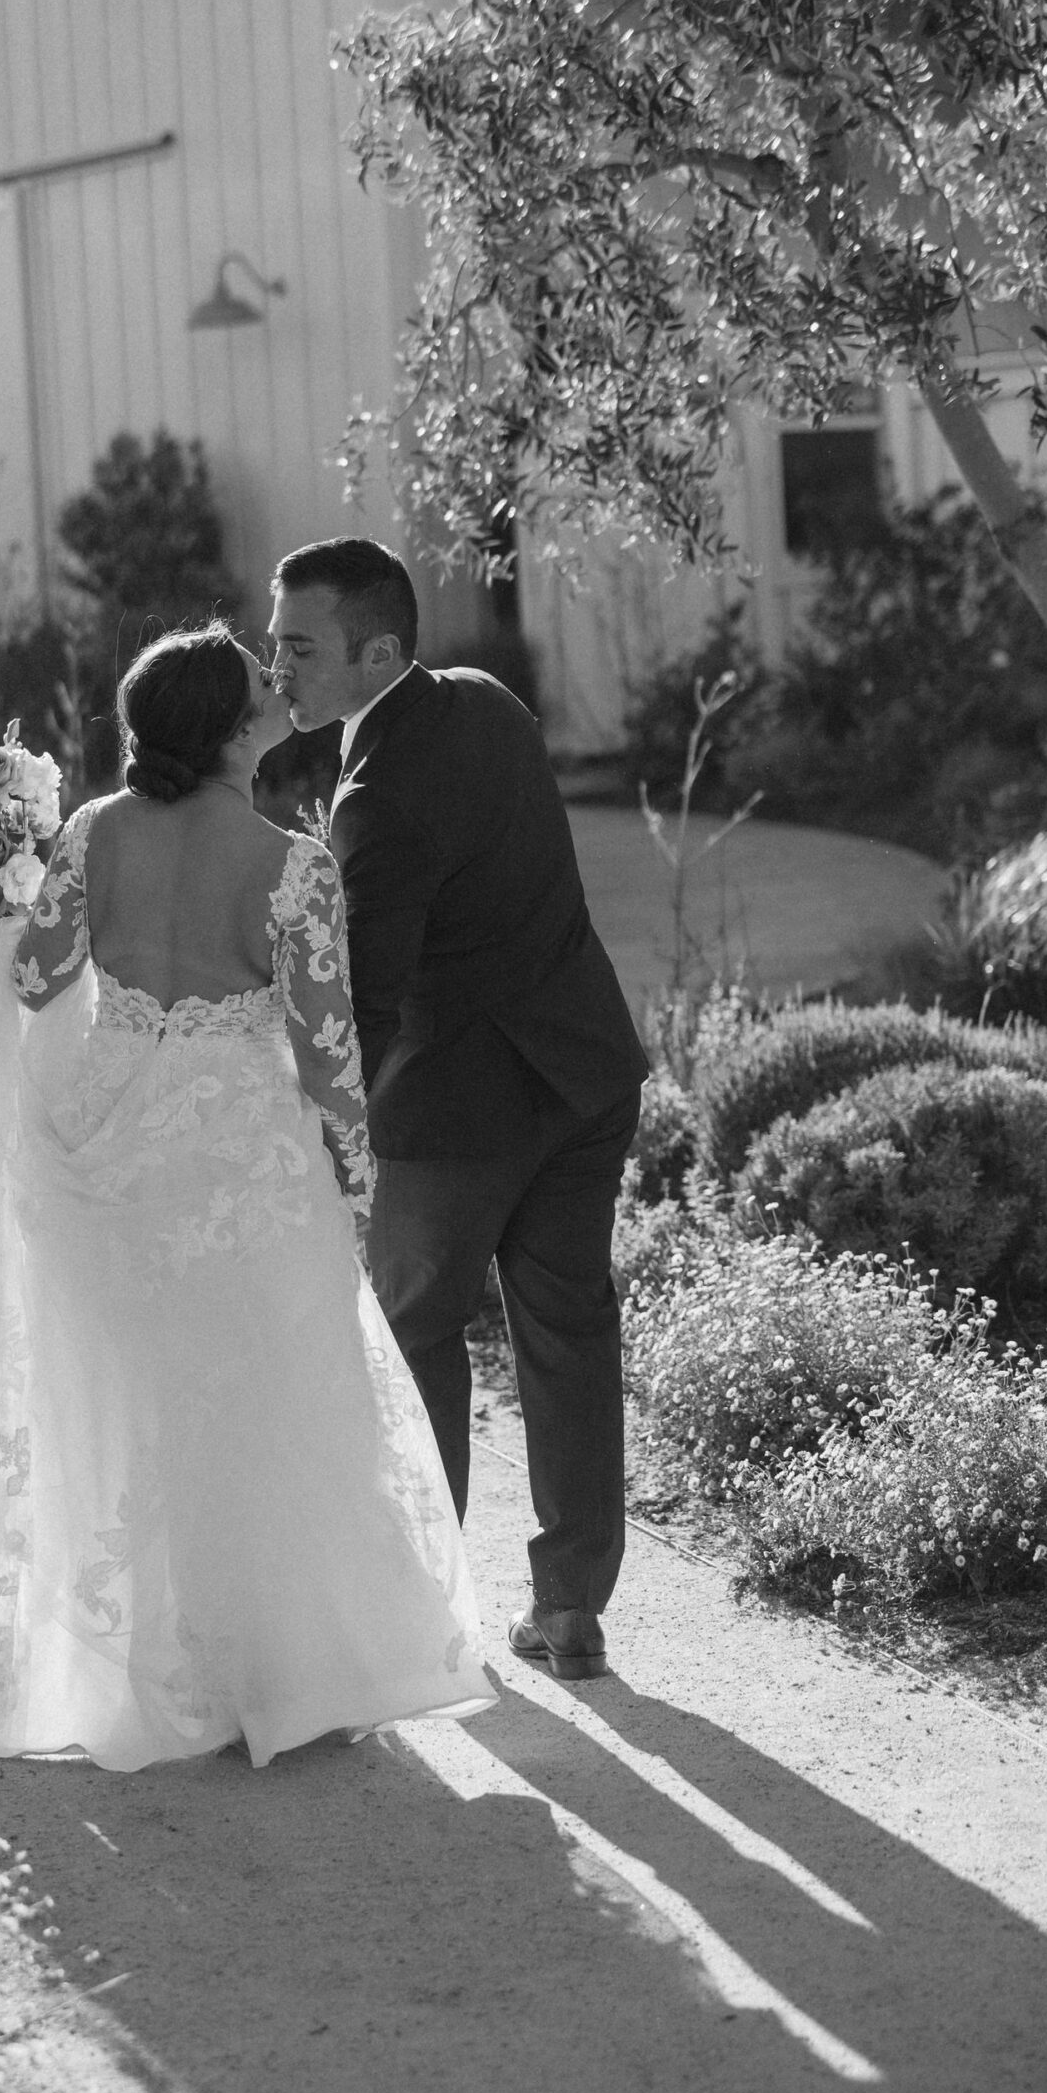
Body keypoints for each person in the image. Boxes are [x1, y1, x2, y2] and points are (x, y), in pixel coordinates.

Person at [0, 622, 493, 1770]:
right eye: (258, 690)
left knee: (126, 1401)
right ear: (234, 730)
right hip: (245, 1159)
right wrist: (355, 1174)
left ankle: (143, 1664)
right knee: (267, 1399)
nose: (277, 694)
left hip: (110, 1136)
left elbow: (36, 976)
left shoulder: (92, 832)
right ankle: (269, 1676)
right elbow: (326, 1046)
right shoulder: (294, 863)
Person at [269, 540, 649, 1681]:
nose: (273, 664)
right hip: (583, 1073)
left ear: (376, 651)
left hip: (459, 1115)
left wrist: (319, 1127)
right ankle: (572, 1606)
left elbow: (368, 1002)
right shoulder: (489, 703)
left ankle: (429, 1606)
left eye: (298, 645)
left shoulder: (376, 801)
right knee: (570, 1331)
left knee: (417, 1335)